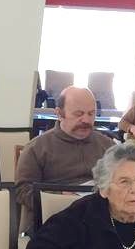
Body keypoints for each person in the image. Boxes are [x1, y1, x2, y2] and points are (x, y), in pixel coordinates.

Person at [16, 86, 115, 232]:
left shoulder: (108, 146)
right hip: (55, 222)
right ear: (59, 114)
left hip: (100, 222)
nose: (86, 120)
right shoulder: (37, 148)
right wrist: (59, 196)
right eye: (78, 114)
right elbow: (22, 191)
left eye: (91, 113)